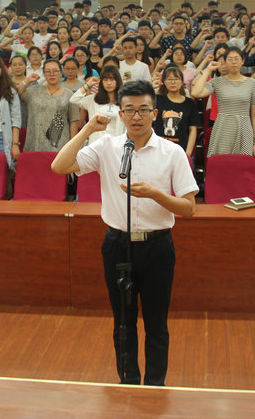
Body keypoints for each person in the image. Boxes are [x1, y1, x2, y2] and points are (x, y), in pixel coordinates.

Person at [51, 79, 198, 386]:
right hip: (117, 245)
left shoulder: (172, 152)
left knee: (156, 323)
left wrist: (156, 195)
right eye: (129, 110)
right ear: (120, 113)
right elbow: (59, 166)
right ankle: (128, 382)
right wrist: (87, 129)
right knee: (122, 323)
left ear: (154, 113)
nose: (136, 116)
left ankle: (155, 385)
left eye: (143, 109)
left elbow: (188, 208)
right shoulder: (107, 146)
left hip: (157, 247)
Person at [191, 47, 255, 158]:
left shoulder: (252, 83)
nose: (233, 62)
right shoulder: (217, 82)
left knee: (243, 164)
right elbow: (195, 93)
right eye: (230, 59)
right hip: (223, 127)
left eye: (236, 59)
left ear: (242, 61)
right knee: (221, 163)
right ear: (225, 62)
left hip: (244, 128)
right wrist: (208, 70)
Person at [15, 59, 81, 152]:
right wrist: (27, 80)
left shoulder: (69, 94)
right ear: (44, 74)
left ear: (60, 73)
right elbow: (15, 94)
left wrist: (73, 146)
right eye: (48, 71)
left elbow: (73, 121)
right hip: (35, 141)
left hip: (59, 143)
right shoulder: (33, 91)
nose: (51, 74)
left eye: (55, 71)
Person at [70, 64, 125, 143]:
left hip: (116, 145)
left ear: (117, 81)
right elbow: (73, 100)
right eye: (105, 80)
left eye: (112, 79)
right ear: (101, 81)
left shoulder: (124, 102)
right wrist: (88, 84)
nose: (109, 83)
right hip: (95, 144)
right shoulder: (93, 99)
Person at [153, 65, 200, 157]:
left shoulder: (189, 103)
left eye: (176, 79)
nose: (173, 82)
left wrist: (188, 153)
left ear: (182, 82)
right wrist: (152, 86)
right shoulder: (157, 100)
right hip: (159, 150)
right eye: (169, 79)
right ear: (164, 82)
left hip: (181, 150)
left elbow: (193, 130)